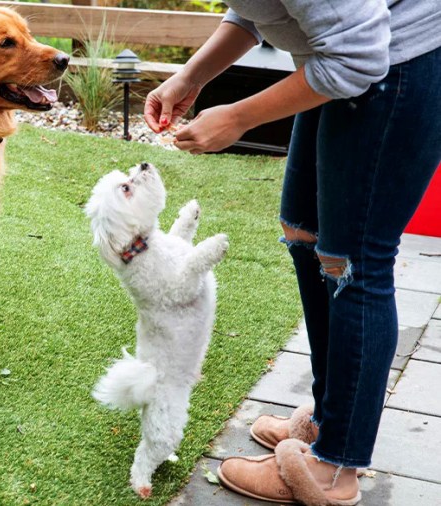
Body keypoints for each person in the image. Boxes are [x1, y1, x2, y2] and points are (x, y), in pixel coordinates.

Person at [143, 1, 441, 504]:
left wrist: (238, 117)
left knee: (354, 264)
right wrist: (190, 77)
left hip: (394, 66)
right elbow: (253, 8)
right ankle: (330, 419)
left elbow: (359, 56)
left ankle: (335, 468)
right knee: (304, 231)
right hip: (336, 62)